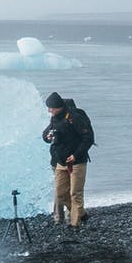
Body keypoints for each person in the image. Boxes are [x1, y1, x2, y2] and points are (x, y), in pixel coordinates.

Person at [42, 91, 93, 226]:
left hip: (77, 161)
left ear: (58, 106)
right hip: (60, 161)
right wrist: (47, 136)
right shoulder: (55, 118)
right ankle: (81, 214)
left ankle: (75, 225)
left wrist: (75, 155)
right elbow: (47, 132)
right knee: (61, 194)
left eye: (51, 108)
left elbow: (88, 139)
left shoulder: (75, 117)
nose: (49, 110)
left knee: (75, 193)